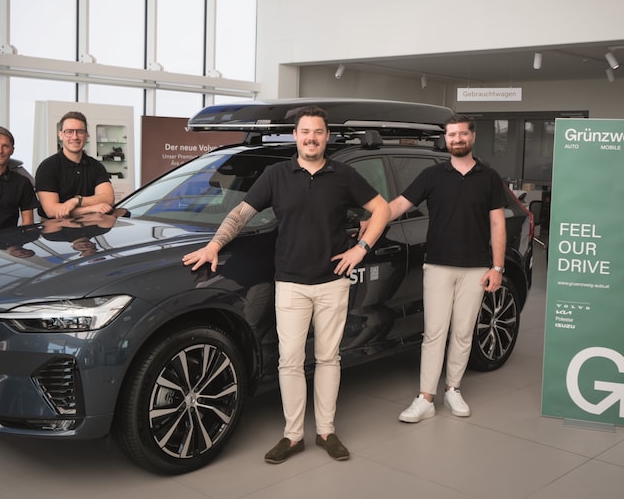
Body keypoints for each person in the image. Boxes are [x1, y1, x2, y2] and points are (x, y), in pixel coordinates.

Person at [182, 106, 390, 464]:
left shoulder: (344, 175)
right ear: (296, 136)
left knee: (328, 358)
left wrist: (361, 248)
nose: (311, 137)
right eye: (305, 131)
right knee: (290, 362)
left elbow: (382, 209)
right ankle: (293, 436)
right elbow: (240, 213)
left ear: (327, 136)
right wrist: (215, 244)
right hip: (290, 284)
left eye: (318, 132)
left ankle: (326, 431)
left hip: (333, 282)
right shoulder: (276, 174)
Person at [387, 114, 507, 421]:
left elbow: (497, 223)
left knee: (464, 332)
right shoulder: (432, 175)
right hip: (438, 265)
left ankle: (453, 389)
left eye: (461, 134)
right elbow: (399, 204)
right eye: (451, 135)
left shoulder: (489, 177)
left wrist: (498, 267)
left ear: (472, 137)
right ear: (446, 138)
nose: (456, 139)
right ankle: (426, 398)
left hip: (477, 268)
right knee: (434, 333)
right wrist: (371, 221)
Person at [35, 111, 115, 219]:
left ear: (86, 135)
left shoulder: (96, 166)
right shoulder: (47, 167)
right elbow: (52, 211)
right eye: (69, 132)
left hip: (90, 229)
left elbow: (108, 198)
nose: (75, 137)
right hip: (56, 230)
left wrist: (77, 201)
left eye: (80, 132)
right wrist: (91, 208)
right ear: (61, 135)